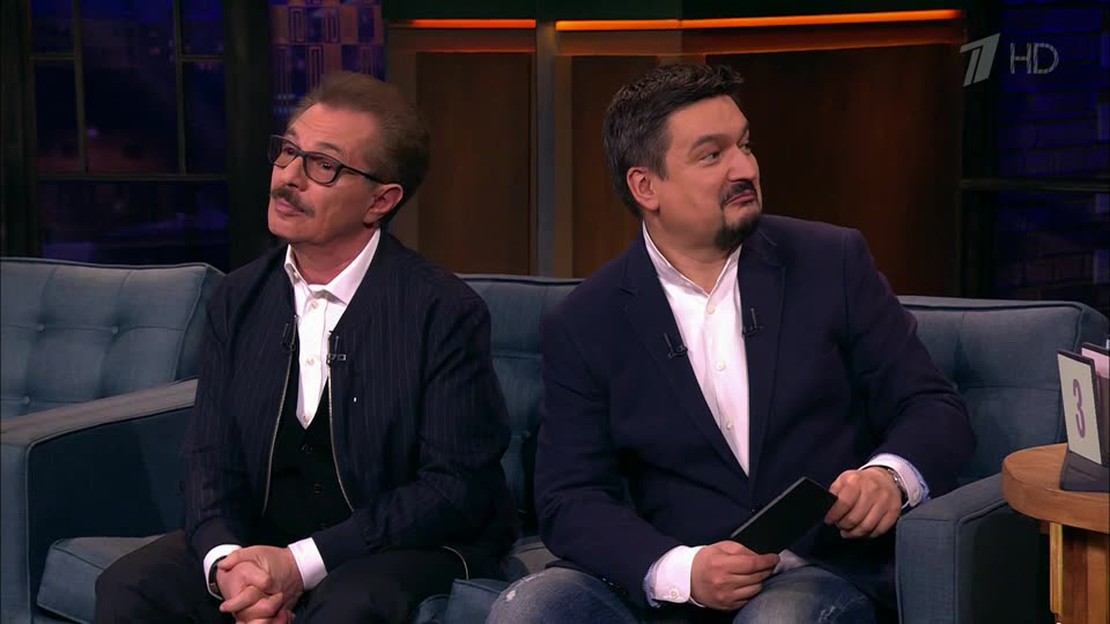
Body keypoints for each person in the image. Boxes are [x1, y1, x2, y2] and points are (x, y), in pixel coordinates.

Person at [488, 64, 974, 623]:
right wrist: (679, 570)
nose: (745, 168)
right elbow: (569, 497)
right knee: (531, 610)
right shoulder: (585, 321)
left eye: (744, 145)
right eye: (712, 155)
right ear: (646, 187)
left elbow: (931, 405)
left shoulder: (830, 261)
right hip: (673, 582)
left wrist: (889, 477)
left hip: (818, 571)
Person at [95, 71, 516, 623]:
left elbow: (453, 488)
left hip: (404, 546)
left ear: (381, 200)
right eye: (288, 152)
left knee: (347, 607)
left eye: (323, 166)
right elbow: (208, 458)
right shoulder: (238, 298)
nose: (288, 177)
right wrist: (228, 563)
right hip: (266, 539)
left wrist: (301, 564)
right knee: (131, 586)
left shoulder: (442, 311)